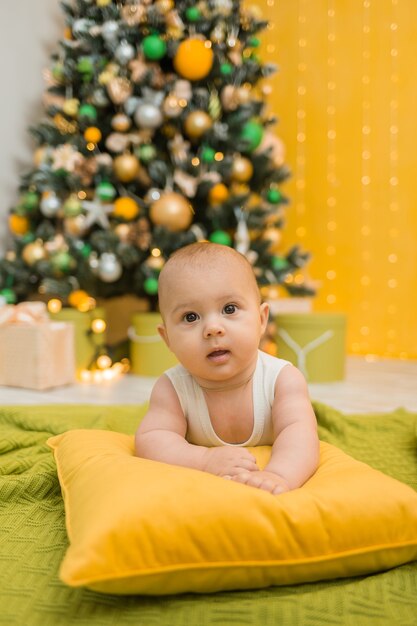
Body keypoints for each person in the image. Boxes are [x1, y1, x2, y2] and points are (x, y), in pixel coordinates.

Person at [135, 242, 319, 495]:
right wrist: (204, 460)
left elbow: (301, 436)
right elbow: (151, 440)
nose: (213, 328)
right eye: (190, 317)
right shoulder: (172, 388)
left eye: (229, 309)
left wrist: (278, 475)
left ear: (261, 319)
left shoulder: (282, 379)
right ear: (167, 338)